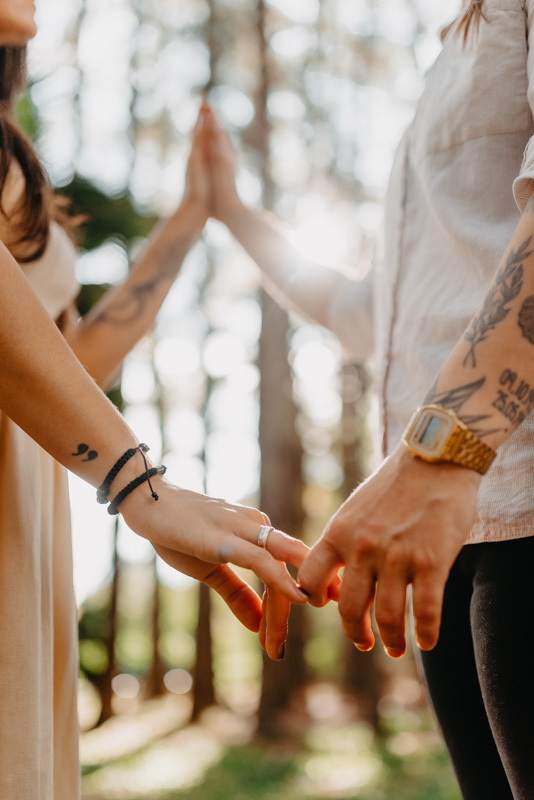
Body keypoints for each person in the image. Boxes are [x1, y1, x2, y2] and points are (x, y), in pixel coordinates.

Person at [200, 1, 534, 797]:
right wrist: (233, 214)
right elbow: (368, 314)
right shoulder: (448, 50)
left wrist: (444, 449)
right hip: (451, 534)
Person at [0, 4, 312, 798]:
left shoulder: (11, 147)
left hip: (24, 564)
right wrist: (138, 484)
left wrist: (188, 220)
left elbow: (56, 369)